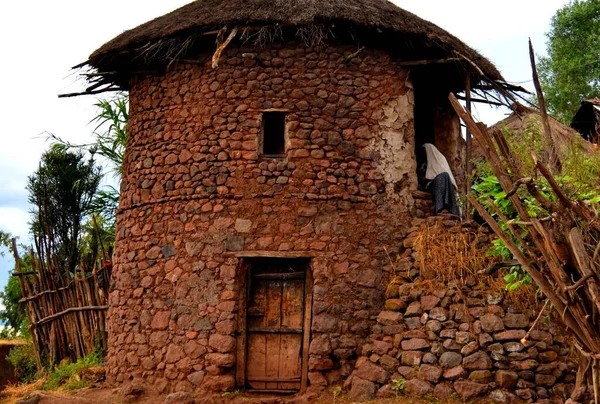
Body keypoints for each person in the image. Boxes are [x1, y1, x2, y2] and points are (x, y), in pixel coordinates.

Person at [421, 143, 460, 217]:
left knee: (444, 176)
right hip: (429, 186)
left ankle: (448, 207)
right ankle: (440, 208)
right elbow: (422, 179)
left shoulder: (440, 159)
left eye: (425, 152)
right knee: (442, 178)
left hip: (442, 183)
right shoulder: (424, 164)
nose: (424, 154)